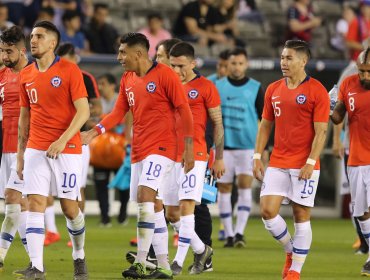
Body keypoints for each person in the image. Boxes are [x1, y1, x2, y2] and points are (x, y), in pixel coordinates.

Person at [81, 32, 194, 279]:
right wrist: (93, 133)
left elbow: (184, 111)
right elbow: (118, 112)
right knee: (152, 206)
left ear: (139, 53)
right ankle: (164, 266)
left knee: (146, 196)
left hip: (163, 148)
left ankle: (141, 262)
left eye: (123, 52)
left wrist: (188, 148)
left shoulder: (165, 75)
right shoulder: (127, 79)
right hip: (139, 150)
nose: (119, 57)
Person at [16, 21, 89, 279]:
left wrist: (63, 140)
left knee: (70, 208)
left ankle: (79, 256)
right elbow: (24, 118)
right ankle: (37, 267)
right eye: (32, 36)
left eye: (39, 36)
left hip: (67, 149)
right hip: (36, 148)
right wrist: (20, 155)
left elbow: (84, 111)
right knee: (35, 202)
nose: (32, 40)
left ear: (52, 43)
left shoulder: (70, 70)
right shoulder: (26, 74)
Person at [253, 40, 330, 280]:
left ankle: (295, 271)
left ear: (303, 61)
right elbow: (265, 125)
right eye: (282, 58)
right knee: (267, 211)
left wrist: (310, 161)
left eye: (289, 58)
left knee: (301, 215)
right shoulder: (273, 89)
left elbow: (321, 132)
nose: (283, 62)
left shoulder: (317, 90)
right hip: (278, 161)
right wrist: (257, 155)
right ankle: (291, 250)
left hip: (305, 164)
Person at [164, 41, 224, 275]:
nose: (176, 71)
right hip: (168, 154)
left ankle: (177, 262)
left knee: (187, 205)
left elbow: (218, 123)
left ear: (193, 63)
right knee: (171, 213)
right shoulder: (166, 86)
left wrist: (218, 157)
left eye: (181, 66)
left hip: (196, 154)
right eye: (172, 65)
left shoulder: (206, 87)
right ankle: (201, 250)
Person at [216, 47, 264, 248]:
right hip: (224, 147)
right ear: (227, 65)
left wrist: (261, 150)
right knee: (224, 189)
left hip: (247, 147)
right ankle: (228, 233)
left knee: (244, 187)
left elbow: (264, 120)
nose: (236, 67)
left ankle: (239, 233)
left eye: (240, 63)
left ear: (247, 64)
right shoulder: (217, 86)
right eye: (233, 63)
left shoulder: (256, 87)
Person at [331, 47, 370, 277]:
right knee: (360, 212)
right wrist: (328, 107)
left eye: (368, 71)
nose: (364, 76)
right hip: (355, 157)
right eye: (361, 71)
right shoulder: (348, 84)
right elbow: (339, 116)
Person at [0, 25, 30, 271]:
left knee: (13, 203)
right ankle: (35, 263)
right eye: (1, 51)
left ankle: (0, 256)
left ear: (22, 50)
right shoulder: (3, 76)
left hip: (27, 151)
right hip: (6, 150)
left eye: (8, 52)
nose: (4, 57)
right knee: (17, 207)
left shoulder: (33, 75)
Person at [95, 72, 130, 226]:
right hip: (100, 149)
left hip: (119, 148)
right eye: (99, 84)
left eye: (103, 84)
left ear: (112, 85)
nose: (100, 87)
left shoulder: (121, 100)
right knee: (100, 184)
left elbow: (124, 118)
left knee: (123, 183)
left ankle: (123, 213)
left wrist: (102, 119)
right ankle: (104, 217)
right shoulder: (96, 102)